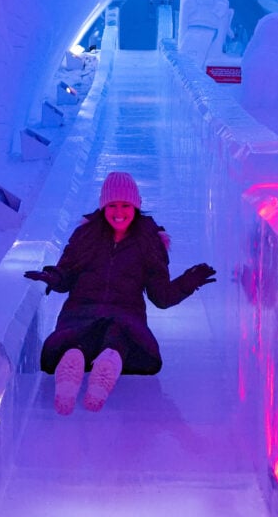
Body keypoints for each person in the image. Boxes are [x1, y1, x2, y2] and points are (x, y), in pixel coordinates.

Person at [24, 171, 216, 416]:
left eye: (125, 205)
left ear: (136, 206)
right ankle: (72, 368)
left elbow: (161, 296)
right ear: (103, 207)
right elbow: (66, 274)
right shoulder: (86, 236)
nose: (118, 212)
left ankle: (104, 365)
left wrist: (189, 282)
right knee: (81, 336)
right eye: (112, 205)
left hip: (124, 314)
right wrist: (52, 276)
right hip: (82, 310)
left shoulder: (148, 242)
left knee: (117, 336)